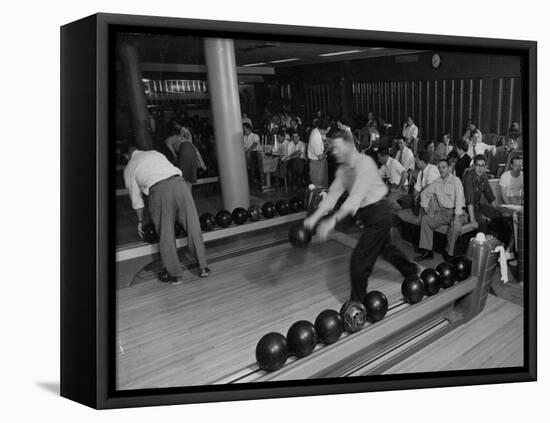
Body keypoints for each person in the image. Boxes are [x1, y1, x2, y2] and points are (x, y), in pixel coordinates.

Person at [303, 130, 418, 303]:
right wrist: (314, 217)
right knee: (385, 249)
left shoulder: (365, 163)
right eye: (333, 148)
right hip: (368, 215)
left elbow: (355, 197)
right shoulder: (343, 170)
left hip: (380, 213)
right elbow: (332, 195)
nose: (333, 152)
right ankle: (411, 271)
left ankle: (357, 305)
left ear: (350, 146)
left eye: (338, 148)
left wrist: (331, 221)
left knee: (359, 262)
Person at [123, 147, 210, 283]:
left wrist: (140, 221)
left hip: (160, 190)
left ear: (126, 156)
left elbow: (137, 200)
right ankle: (203, 267)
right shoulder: (154, 153)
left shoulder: (129, 167)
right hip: (180, 184)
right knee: (193, 225)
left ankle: (175, 275)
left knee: (166, 233)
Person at [414, 158, 467, 262]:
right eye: (439, 168)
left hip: (459, 213)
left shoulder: (456, 181)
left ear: (449, 168)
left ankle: (449, 255)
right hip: (443, 213)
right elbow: (424, 193)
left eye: (444, 167)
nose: (441, 170)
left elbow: (459, 202)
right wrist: (425, 205)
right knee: (425, 220)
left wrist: (456, 218)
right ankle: (427, 251)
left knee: (455, 227)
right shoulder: (436, 182)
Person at [462, 155, 497, 233]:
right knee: (482, 222)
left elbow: (489, 194)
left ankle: (497, 241)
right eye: (478, 165)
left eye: (482, 165)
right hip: (467, 208)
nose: (480, 168)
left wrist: (496, 208)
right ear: (474, 166)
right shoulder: (469, 177)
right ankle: (483, 242)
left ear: (485, 166)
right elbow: (469, 200)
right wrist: (472, 220)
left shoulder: (483, 175)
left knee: (497, 215)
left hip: (478, 206)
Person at [307, 118, 330, 187]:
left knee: (324, 185)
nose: (327, 132)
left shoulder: (318, 130)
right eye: (327, 131)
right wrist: (328, 148)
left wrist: (329, 141)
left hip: (321, 162)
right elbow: (320, 157)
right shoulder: (316, 138)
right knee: (318, 187)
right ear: (322, 129)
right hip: (317, 164)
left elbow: (325, 139)